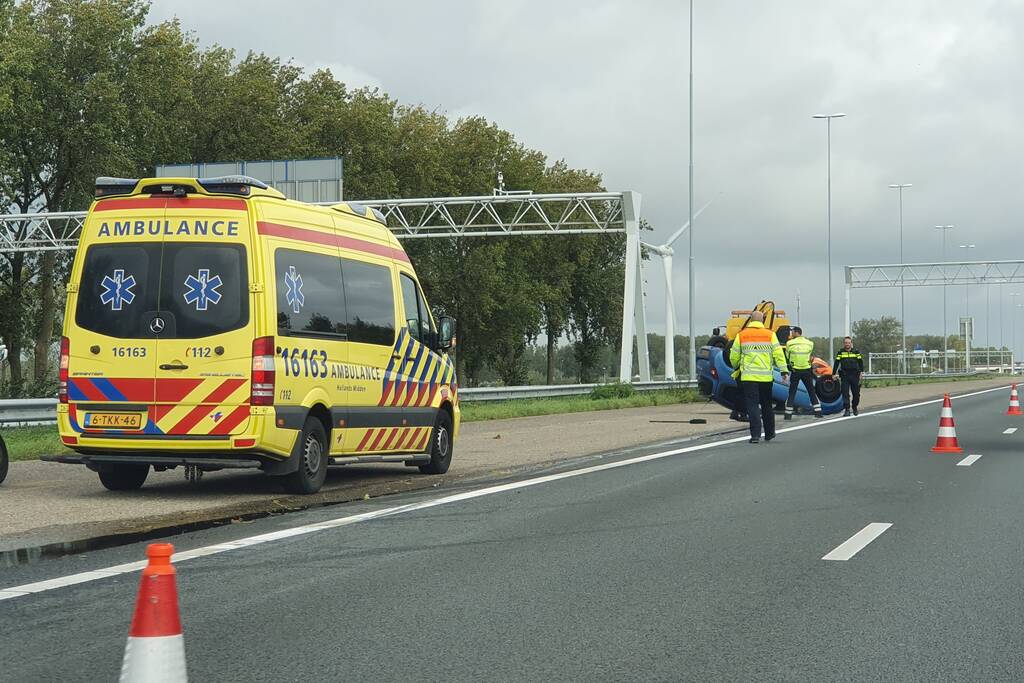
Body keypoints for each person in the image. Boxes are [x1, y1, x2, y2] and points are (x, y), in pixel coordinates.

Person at [729, 311, 789, 443]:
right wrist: (784, 371)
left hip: (748, 377)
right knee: (767, 405)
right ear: (763, 320)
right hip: (766, 378)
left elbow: (733, 356)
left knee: (752, 406)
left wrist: (737, 367)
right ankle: (769, 433)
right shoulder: (770, 335)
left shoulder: (742, 335)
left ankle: (755, 435)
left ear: (751, 320)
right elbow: (778, 354)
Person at [784, 327, 823, 420]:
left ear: (796, 332)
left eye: (792, 332)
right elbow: (809, 355)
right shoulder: (810, 343)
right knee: (811, 391)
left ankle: (788, 414)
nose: (791, 333)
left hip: (795, 370)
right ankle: (818, 412)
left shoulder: (789, 343)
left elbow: (787, 356)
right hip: (806, 370)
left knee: (792, 392)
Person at [833, 335, 864, 416]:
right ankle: (847, 409)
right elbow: (836, 363)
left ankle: (854, 407)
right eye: (846, 343)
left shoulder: (856, 352)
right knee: (845, 393)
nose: (847, 344)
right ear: (844, 343)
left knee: (856, 394)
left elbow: (860, 362)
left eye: (848, 343)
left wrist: (861, 372)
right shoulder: (840, 352)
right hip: (845, 375)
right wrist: (833, 373)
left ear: (851, 343)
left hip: (855, 375)